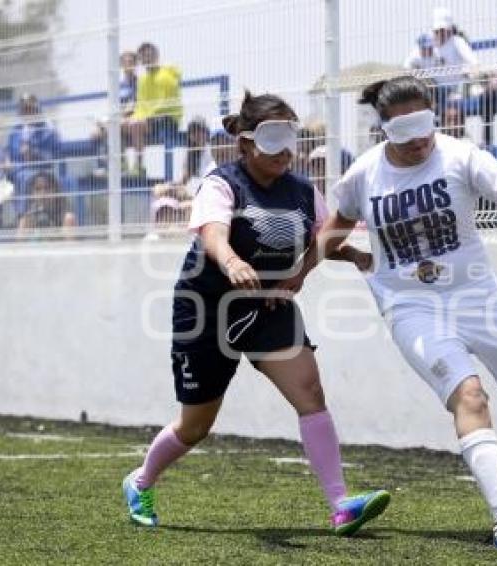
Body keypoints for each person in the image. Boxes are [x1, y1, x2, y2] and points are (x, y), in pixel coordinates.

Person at [302, 76, 497, 552]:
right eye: (403, 130)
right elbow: (329, 239)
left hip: (478, 296)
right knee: (469, 396)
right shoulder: (364, 177)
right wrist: (314, 271)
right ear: (383, 128)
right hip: (411, 307)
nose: (417, 141)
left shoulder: (460, 156)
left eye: (424, 126)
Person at [121, 90, 389, 535]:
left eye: (291, 139)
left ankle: (341, 504)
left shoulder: (304, 190)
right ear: (245, 143)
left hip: (270, 306)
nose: (285, 151)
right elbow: (213, 234)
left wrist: (345, 259)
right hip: (208, 309)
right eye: (273, 140)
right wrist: (231, 262)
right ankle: (141, 480)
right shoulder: (222, 183)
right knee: (195, 426)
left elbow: (324, 239)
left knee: (310, 393)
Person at [124, 42, 183, 175]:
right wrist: (133, 117)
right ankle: (122, 165)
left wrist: (141, 117)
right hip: (147, 119)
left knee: (136, 124)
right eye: (143, 57)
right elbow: (140, 106)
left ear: (156, 55)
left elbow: (166, 101)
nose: (147, 59)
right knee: (122, 124)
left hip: (167, 119)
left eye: (149, 55)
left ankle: (138, 166)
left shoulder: (167, 73)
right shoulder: (143, 80)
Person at [16, 171, 76, 237]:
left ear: (55, 190)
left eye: (47, 188)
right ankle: (20, 246)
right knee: (24, 220)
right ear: (32, 193)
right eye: (38, 189)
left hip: (59, 243)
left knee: (69, 218)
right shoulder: (31, 207)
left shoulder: (63, 206)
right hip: (37, 243)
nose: (43, 193)